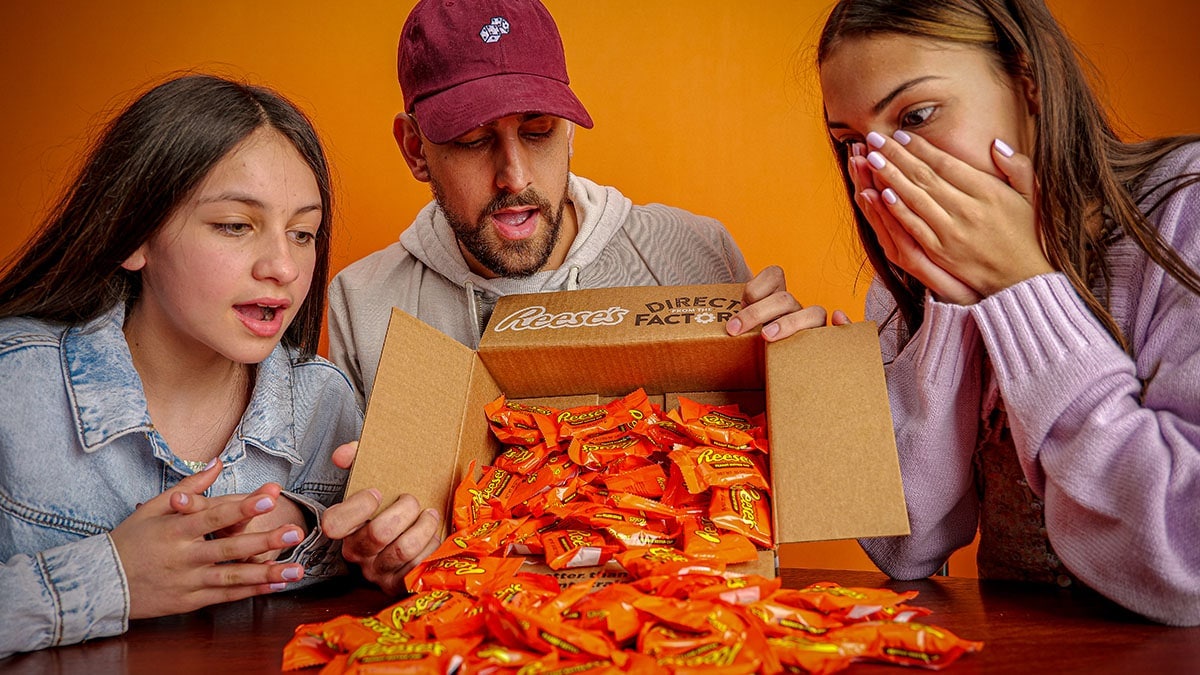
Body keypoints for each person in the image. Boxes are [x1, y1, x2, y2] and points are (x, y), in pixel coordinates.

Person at [320, 0, 823, 595]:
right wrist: (375, 546)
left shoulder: (691, 255)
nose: (515, 176)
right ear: (414, 149)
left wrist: (804, 376)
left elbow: (789, 491)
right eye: (473, 140)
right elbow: (353, 530)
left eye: (539, 132)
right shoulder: (364, 301)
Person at [815, 0, 1200, 625]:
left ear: (1028, 82)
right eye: (854, 141)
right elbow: (902, 545)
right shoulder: (908, 281)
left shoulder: (1186, 210)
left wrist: (1022, 284)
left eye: (916, 115)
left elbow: (1185, 562)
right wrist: (953, 304)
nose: (887, 170)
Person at [0, 74, 362, 657]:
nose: (284, 267)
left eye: (303, 233)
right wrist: (111, 579)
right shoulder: (13, 386)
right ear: (136, 234)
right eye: (235, 225)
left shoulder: (327, 404)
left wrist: (308, 529)